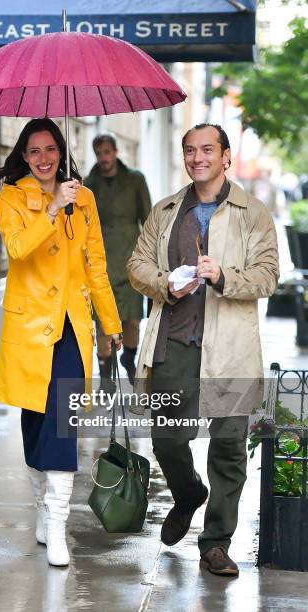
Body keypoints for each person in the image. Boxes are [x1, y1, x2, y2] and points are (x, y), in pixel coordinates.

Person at [127, 124, 279, 576]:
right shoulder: (167, 210)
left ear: (226, 157)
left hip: (230, 348)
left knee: (229, 445)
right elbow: (137, 264)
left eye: (207, 150)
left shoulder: (252, 212)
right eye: (190, 151)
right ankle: (189, 492)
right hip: (174, 341)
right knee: (168, 440)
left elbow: (268, 275)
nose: (197, 158)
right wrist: (164, 282)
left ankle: (215, 542)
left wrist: (224, 275)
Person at [0, 119, 122, 567]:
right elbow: (16, 249)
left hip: (71, 324)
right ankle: (42, 512)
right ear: (24, 157)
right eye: (34, 152)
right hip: (30, 328)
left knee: (63, 420)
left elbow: (96, 264)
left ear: (61, 151)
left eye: (50, 149)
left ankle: (59, 523)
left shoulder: (82, 197)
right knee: (35, 422)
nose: (44, 159)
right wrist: (49, 210)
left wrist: (111, 322)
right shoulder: (12, 196)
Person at [84, 134, 151, 390]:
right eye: (99, 153)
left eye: (107, 152)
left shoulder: (135, 179)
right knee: (102, 319)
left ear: (115, 151)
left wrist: (151, 255)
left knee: (132, 318)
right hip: (100, 260)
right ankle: (105, 376)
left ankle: (129, 359)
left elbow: (148, 219)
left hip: (131, 258)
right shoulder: (89, 184)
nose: (103, 158)